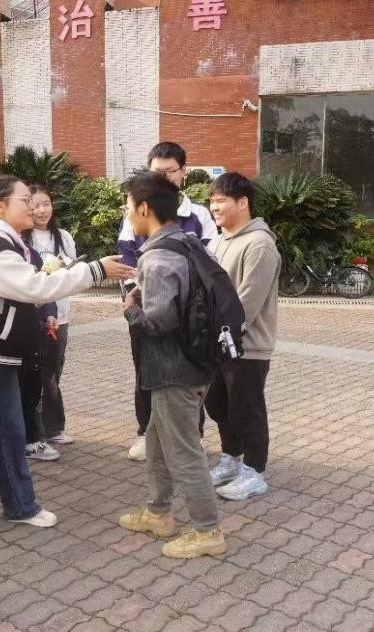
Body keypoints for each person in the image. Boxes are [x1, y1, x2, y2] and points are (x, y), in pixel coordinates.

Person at [0, 175, 133, 540]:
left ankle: (21, 506)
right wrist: (95, 270)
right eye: (25, 200)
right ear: (0, 206)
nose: (33, 206)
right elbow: (38, 288)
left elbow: (30, 289)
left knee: (10, 436)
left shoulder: (2, 244)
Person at [117, 172, 225, 559]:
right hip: (196, 362)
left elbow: (159, 322)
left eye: (128, 207)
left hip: (173, 370)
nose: (127, 214)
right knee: (157, 441)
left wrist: (131, 309)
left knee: (183, 451)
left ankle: (207, 530)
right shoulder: (189, 242)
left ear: (145, 208)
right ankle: (158, 512)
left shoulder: (158, 257)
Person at [117, 142, 215, 462]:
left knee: (187, 375)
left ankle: (192, 436)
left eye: (169, 171)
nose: (163, 177)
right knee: (146, 372)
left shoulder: (199, 216)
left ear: (183, 172)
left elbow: (210, 262)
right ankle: (147, 433)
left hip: (189, 315)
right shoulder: (135, 214)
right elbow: (126, 261)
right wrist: (140, 297)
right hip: (146, 308)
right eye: (156, 172)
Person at [205, 172, 281, 501]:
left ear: (243, 202)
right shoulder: (218, 241)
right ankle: (231, 460)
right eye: (212, 201)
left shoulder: (260, 244)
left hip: (247, 346)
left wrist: (215, 329)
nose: (214, 207)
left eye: (221, 201)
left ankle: (254, 472)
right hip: (218, 343)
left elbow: (247, 302)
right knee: (219, 405)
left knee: (247, 409)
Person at [23, 185, 77, 446]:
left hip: (60, 316)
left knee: (53, 374)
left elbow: (73, 272)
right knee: (35, 374)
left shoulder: (63, 237)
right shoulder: (22, 239)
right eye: (35, 205)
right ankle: (33, 430)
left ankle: (53, 427)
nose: (42, 210)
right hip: (33, 316)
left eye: (46, 204)